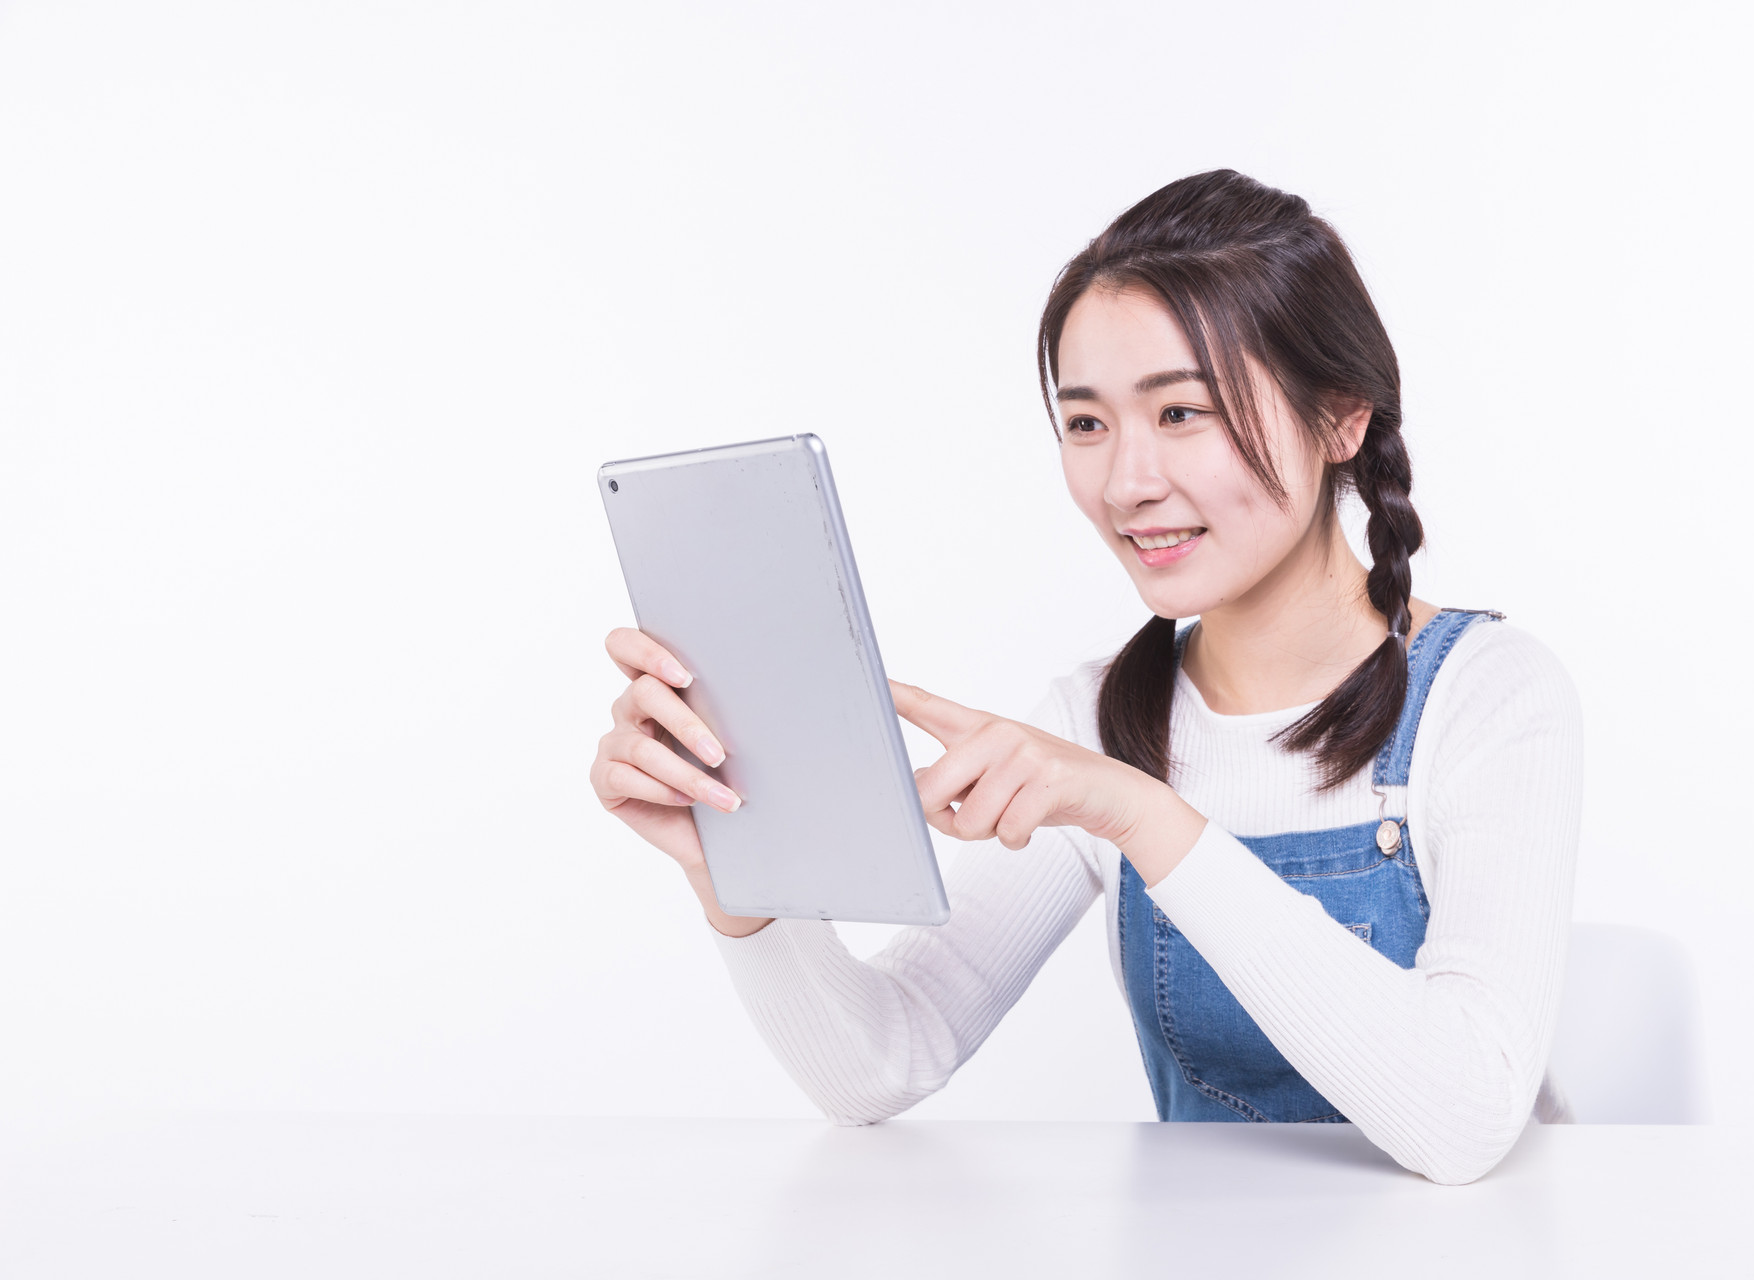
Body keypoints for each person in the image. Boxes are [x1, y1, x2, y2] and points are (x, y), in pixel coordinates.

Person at [589, 169, 1582, 1185]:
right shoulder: (1100, 717)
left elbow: (1465, 1119)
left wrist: (1141, 814)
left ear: (1340, 417)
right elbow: (881, 1059)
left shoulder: (1488, 695)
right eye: (1088, 424)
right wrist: (735, 871)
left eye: (1182, 412)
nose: (1127, 483)